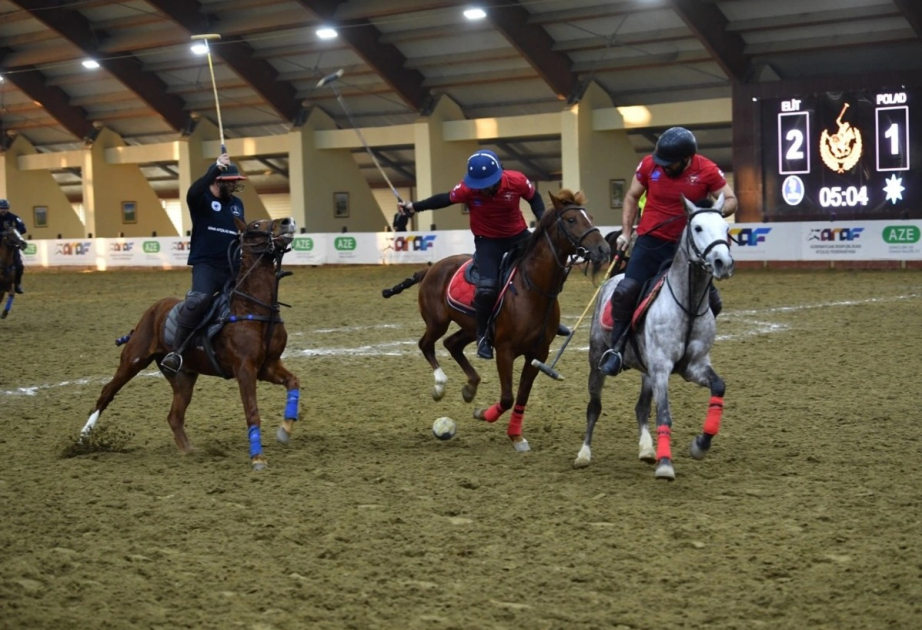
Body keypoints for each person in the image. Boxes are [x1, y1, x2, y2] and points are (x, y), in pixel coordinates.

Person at [599, 126, 737, 376]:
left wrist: (712, 213)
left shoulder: (706, 170)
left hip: (686, 249)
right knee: (626, 291)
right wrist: (626, 232)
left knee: (713, 302)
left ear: (686, 159)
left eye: (669, 163)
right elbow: (631, 196)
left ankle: (693, 350)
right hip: (651, 242)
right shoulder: (649, 165)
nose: (662, 166)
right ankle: (617, 351)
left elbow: (730, 200)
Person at [397, 149, 545, 360]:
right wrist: (413, 207)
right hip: (488, 242)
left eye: (487, 186)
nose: (482, 190)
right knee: (486, 289)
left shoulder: (517, 180)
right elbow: (443, 199)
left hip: (518, 236)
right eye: (479, 187)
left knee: (543, 273)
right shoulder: (468, 189)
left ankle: (550, 321)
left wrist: (541, 219)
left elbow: (535, 197)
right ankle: (483, 335)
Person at [161, 153, 247, 373]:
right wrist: (216, 168)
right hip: (206, 264)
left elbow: (242, 230)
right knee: (199, 301)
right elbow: (193, 191)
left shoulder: (237, 204)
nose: (235, 186)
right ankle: (176, 352)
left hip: (232, 265)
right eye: (232, 182)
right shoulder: (201, 200)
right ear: (218, 181)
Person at [0, 199, 27, 294]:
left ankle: (17, 284)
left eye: (5, 208)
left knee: (19, 265)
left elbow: (23, 228)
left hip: (12, 246)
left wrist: (14, 232)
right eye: (2, 208)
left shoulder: (14, 218)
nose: (3, 210)